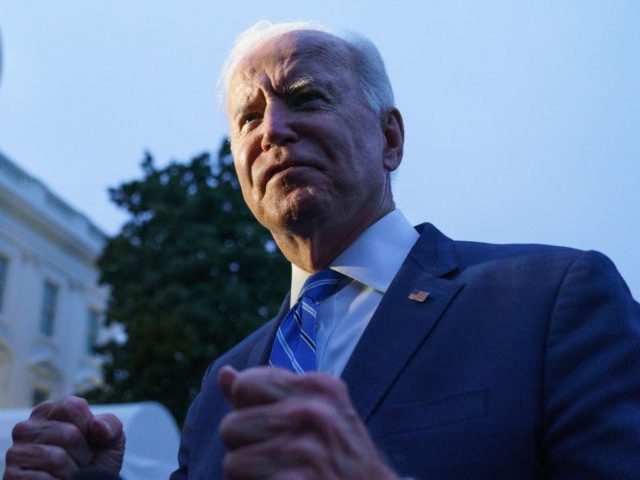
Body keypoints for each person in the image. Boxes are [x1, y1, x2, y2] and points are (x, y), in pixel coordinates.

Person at [5, 20, 640, 480]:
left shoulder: (551, 298)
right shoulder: (224, 387)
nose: (273, 129)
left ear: (390, 137)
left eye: (306, 97)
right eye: (248, 119)